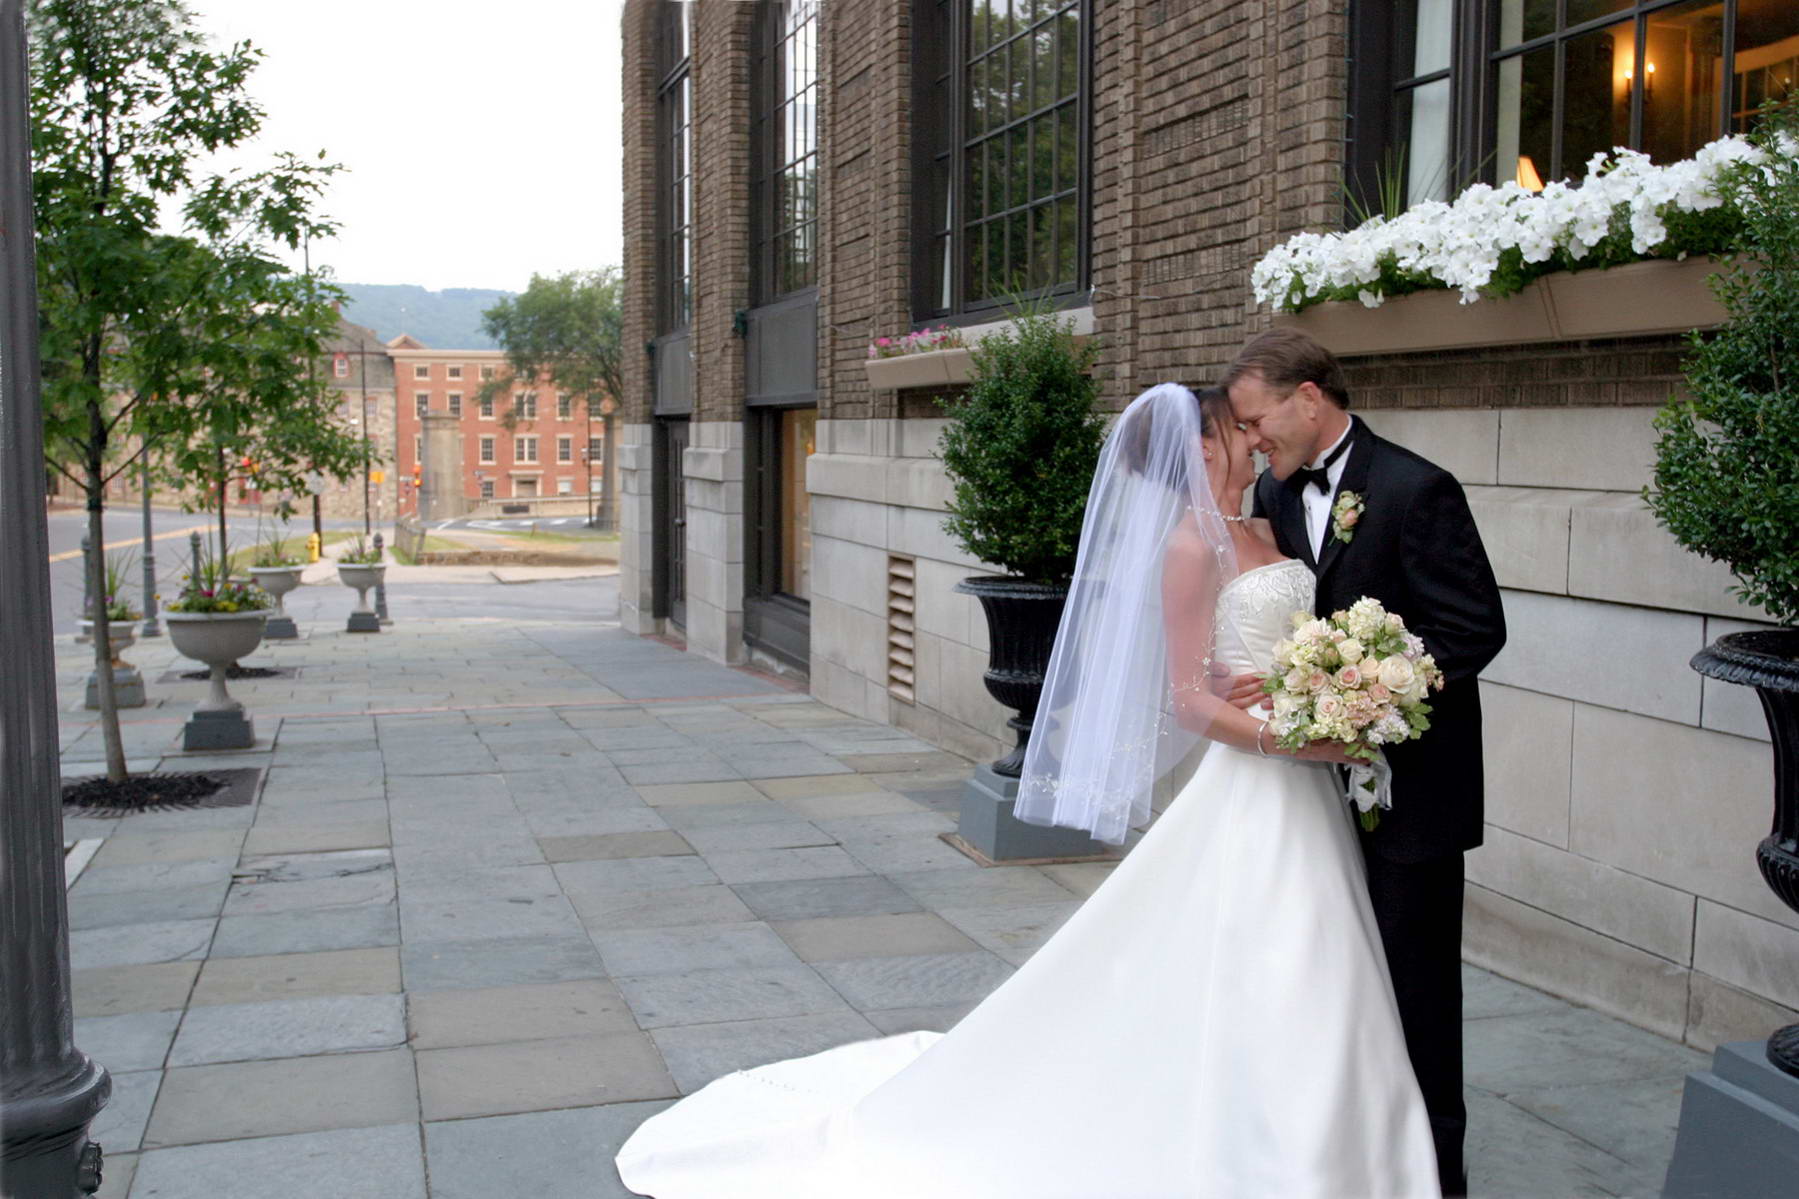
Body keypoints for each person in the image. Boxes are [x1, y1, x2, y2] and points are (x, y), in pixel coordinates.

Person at [614, 381, 1443, 1198]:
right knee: (1274, 947)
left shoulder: (1270, 518)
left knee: (1309, 952)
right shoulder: (1188, 545)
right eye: (1239, 428)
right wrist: (1287, 734)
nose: (1257, 438)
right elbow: (1187, 697)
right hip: (1261, 776)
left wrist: (1326, 687)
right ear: (1199, 446)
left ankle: (1330, 1140)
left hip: (1310, 787)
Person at [1220, 329, 1507, 1197]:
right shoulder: (1271, 489)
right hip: (1307, 793)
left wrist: (1366, 694)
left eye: (1257, 417)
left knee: (1416, 990)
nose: (1254, 437)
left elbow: (1472, 630)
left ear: (1309, 395)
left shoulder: (1418, 488)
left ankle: (1435, 1170)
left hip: (1412, 793)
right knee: (1329, 984)